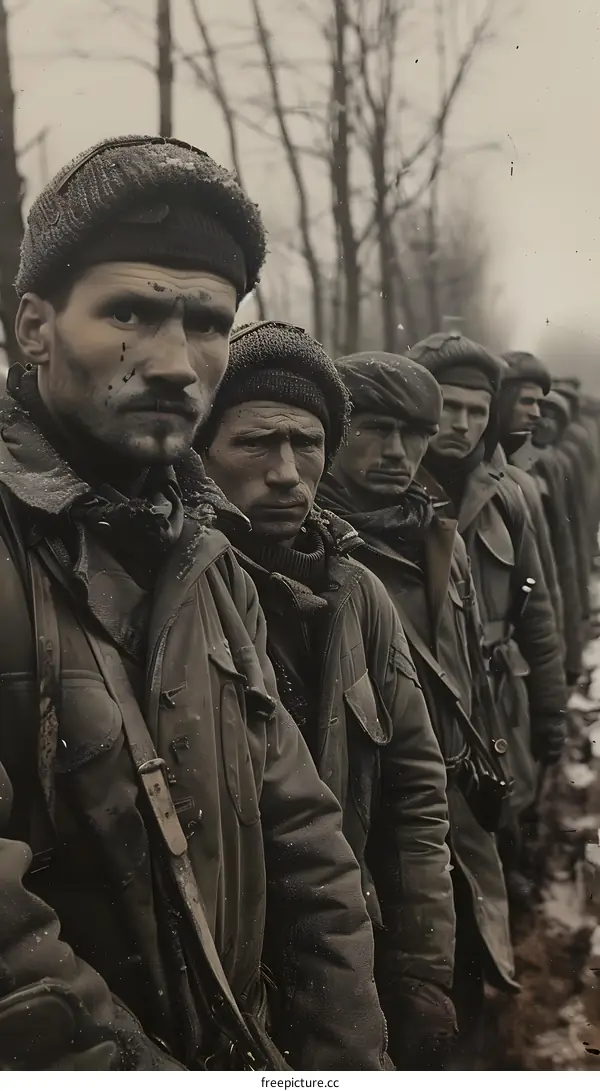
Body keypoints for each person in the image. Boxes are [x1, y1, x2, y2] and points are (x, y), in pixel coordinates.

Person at [0, 135, 390, 1071]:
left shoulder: (206, 557)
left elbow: (304, 837)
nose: (177, 362)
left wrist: (347, 1056)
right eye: (129, 310)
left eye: (209, 322)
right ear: (33, 327)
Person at [198, 320, 457, 1070]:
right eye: (256, 442)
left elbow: (415, 795)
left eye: (306, 444)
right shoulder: (183, 595)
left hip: (346, 962)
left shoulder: (359, 596)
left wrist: (420, 971)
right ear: (201, 449)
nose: (287, 471)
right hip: (228, 987)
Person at [318, 350, 517, 1064]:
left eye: (417, 433)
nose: (398, 452)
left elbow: (474, 682)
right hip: (374, 840)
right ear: (337, 431)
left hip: (457, 826)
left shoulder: (440, 536)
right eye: (375, 429)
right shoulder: (314, 550)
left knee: (466, 1008)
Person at [406, 333, 567, 910]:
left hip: (498, 698)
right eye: (449, 407)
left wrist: (550, 708)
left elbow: (538, 615)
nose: (464, 424)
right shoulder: (391, 491)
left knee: (503, 822)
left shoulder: (509, 497)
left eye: (477, 411)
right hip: (424, 705)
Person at [497, 352, 564, 660]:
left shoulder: (528, 467)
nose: (536, 413)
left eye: (539, 403)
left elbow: (550, 573)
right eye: (526, 401)